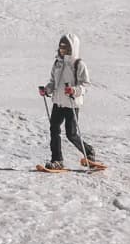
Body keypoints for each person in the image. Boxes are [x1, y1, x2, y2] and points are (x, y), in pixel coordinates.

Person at [38, 33, 96, 170]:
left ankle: (89, 151)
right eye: (61, 46)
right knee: (54, 129)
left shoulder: (78, 64)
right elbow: (54, 82)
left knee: (71, 134)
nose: (62, 49)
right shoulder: (57, 63)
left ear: (72, 48)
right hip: (58, 102)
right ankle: (57, 160)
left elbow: (86, 84)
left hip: (71, 103)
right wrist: (47, 90)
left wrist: (74, 91)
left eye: (66, 47)